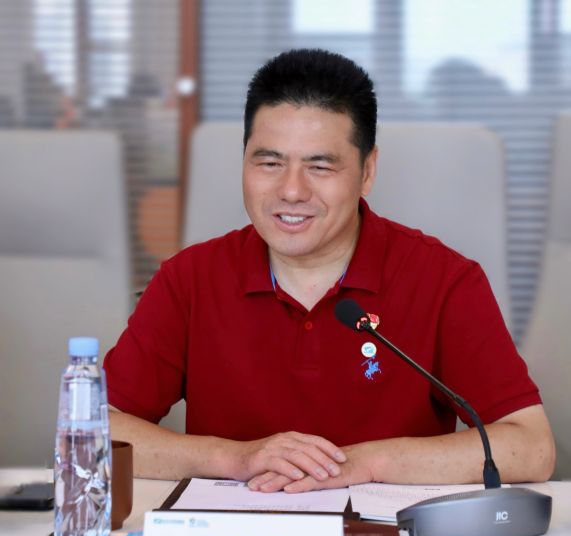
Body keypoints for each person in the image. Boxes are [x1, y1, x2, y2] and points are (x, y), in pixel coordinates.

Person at [105, 48, 555, 492]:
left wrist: (365, 462)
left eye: (319, 166)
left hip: (389, 534)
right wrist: (236, 458)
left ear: (367, 170)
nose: (291, 190)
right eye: (269, 163)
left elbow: (531, 447)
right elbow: (97, 427)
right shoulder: (189, 279)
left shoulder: (444, 280)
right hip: (232, 531)